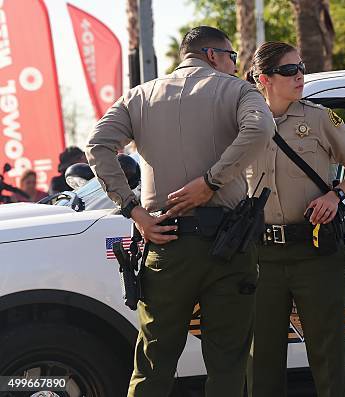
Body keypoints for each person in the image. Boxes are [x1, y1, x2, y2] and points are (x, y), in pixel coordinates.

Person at [86, 26, 275, 397]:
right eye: (232, 56)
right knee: (228, 361)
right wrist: (212, 182)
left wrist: (135, 212)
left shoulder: (139, 96)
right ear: (212, 55)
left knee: (154, 361)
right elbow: (261, 127)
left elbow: (97, 147)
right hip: (229, 243)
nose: (234, 65)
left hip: (166, 242)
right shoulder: (238, 90)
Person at [246, 42, 345, 397]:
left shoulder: (318, 118)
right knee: (261, 360)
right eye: (288, 71)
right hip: (261, 256)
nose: (299, 75)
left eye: (300, 67)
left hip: (316, 253)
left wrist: (336, 195)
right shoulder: (244, 123)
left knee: (328, 356)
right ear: (264, 79)